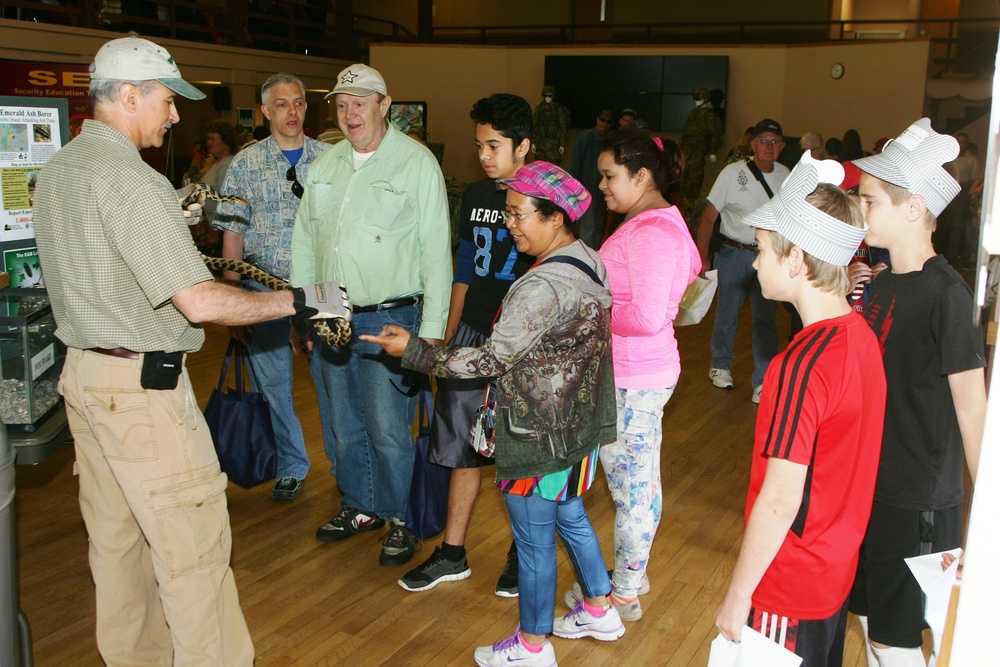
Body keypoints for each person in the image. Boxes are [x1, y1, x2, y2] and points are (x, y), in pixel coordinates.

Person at [31, 35, 347, 666]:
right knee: (194, 555)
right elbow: (200, 301)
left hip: (86, 382)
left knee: (118, 555)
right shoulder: (130, 179)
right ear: (128, 96)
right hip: (142, 397)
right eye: (167, 100)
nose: (176, 114)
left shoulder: (59, 170)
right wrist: (303, 301)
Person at [361, 162, 623, 667]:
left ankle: (531, 646)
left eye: (521, 216)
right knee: (570, 515)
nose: (511, 226)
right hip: (577, 427)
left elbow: (488, 359)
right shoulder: (590, 259)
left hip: (536, 435)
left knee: (532, 540)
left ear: (556, 218)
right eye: (508, 214)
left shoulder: (540, 286)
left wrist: (416, 351)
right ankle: (598, 607)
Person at [714, 152, 885, 667]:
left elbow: (780, 499)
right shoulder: (861, 336)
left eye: (762, 249)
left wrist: (739, 594)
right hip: (833, 575)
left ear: (796, 261)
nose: (756, 260)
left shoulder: (800, 364)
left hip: (787, 585)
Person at [290, 63, 451, 567]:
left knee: (386, 427)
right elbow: (305, 245)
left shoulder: (416, 163)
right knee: (342, 425)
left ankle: (401, 518)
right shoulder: (327, 165)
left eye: (360, 102)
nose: (349, 113)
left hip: (391, 316)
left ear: (385, 105)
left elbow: (436, 256)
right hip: (332, 310)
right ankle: (360, 505)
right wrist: (308, 316)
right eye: (341, 104)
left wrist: (428, 340)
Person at [848, 118, 987, 667]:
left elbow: (972, 409)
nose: (861, 211)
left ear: (913, 208)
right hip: (873, 483)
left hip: (916, 498)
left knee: (896, 635)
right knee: (866, 614)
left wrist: (989, 519)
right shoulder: (882, 283)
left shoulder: (946, 295)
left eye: (870, 200)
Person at [397, 93, 534, 596]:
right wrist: (451, 333)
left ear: (524, 145)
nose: (483, 154)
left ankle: (524, 554)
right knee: (458, 444)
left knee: (523, 453)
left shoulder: (544, 199)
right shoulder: (476, 195)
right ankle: (452, 553)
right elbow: (463, 268)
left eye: (494, 145)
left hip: (521, 341)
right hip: (474, 332)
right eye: (479, 145)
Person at [569, 129, 701, 622]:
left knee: (631, 490)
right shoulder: (654, 221)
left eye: (609, 176)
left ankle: (622, 592)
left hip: (634, 377)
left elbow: (645, 317)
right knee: (639, 482)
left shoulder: (651, 232)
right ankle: (632, 573)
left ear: (641, 176)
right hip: (635, 374)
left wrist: (589, 313)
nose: (600, 185)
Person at [214, 72, 333, 501]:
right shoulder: (244, 164)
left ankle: (345, 465)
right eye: (282, 104)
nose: (293, 112)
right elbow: (232, 233)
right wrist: (233, 298)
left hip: (322, 289)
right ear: (266, 111)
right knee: (274, 384)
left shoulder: (329, 158)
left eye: (299, 103)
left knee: (332, 381)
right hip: (261, 289)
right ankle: (290, 464)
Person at [695, 118, 789, 403]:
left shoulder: (786, 175)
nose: (768, 147)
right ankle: (720, 366)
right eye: (763, 141)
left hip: (768, 256)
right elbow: (709, 217)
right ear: (753, 145)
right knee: (727, 314)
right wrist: (703, 258)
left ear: (782, 146)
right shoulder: (732, 173)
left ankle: (763, 379)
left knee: (765, 319)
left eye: (774, 142)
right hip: (733, 252)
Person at [190, 119, 238, 256]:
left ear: (226, 141)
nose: (208, 142)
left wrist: (216, 231)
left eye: (212, 139)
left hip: (223, 231)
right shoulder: (217, 163)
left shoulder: (227, 164)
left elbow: (227, 201)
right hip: (214, 226)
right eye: (207, 139)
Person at [569, 108, 614, 248]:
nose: (604, 123)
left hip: (603, 191)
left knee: (599, 225)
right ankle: (585, 258)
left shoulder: (610, 141)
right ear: (597, 120)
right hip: (585, 190)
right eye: (602, 120)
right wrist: (574, 190)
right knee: (588, 227)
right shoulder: (585, 138)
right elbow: (575, 165)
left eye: (608, 121)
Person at [680, 87, 724, 202]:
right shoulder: (693, 113)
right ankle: (685, 205)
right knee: (684, 179)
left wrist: (713, 151)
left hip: (699, 151)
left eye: (698, 98)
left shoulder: (710, 116)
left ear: (705, 99)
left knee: (695, 178)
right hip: (687, 151)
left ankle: (692, 204)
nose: (696, 101)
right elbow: (685, 133)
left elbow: (715, 134)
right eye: (695, 98)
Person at [533, 84, 570, 164]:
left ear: (553, 96)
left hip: (553, 143)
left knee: (554, 168)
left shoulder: (558, 109)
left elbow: (563, 127)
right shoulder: (539, 109)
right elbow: (535, 126)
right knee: (539, 167)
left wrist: (561, 144)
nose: (547, 98)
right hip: (540, 143)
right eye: (545, 96)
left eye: (549, 96)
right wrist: (533, 142)